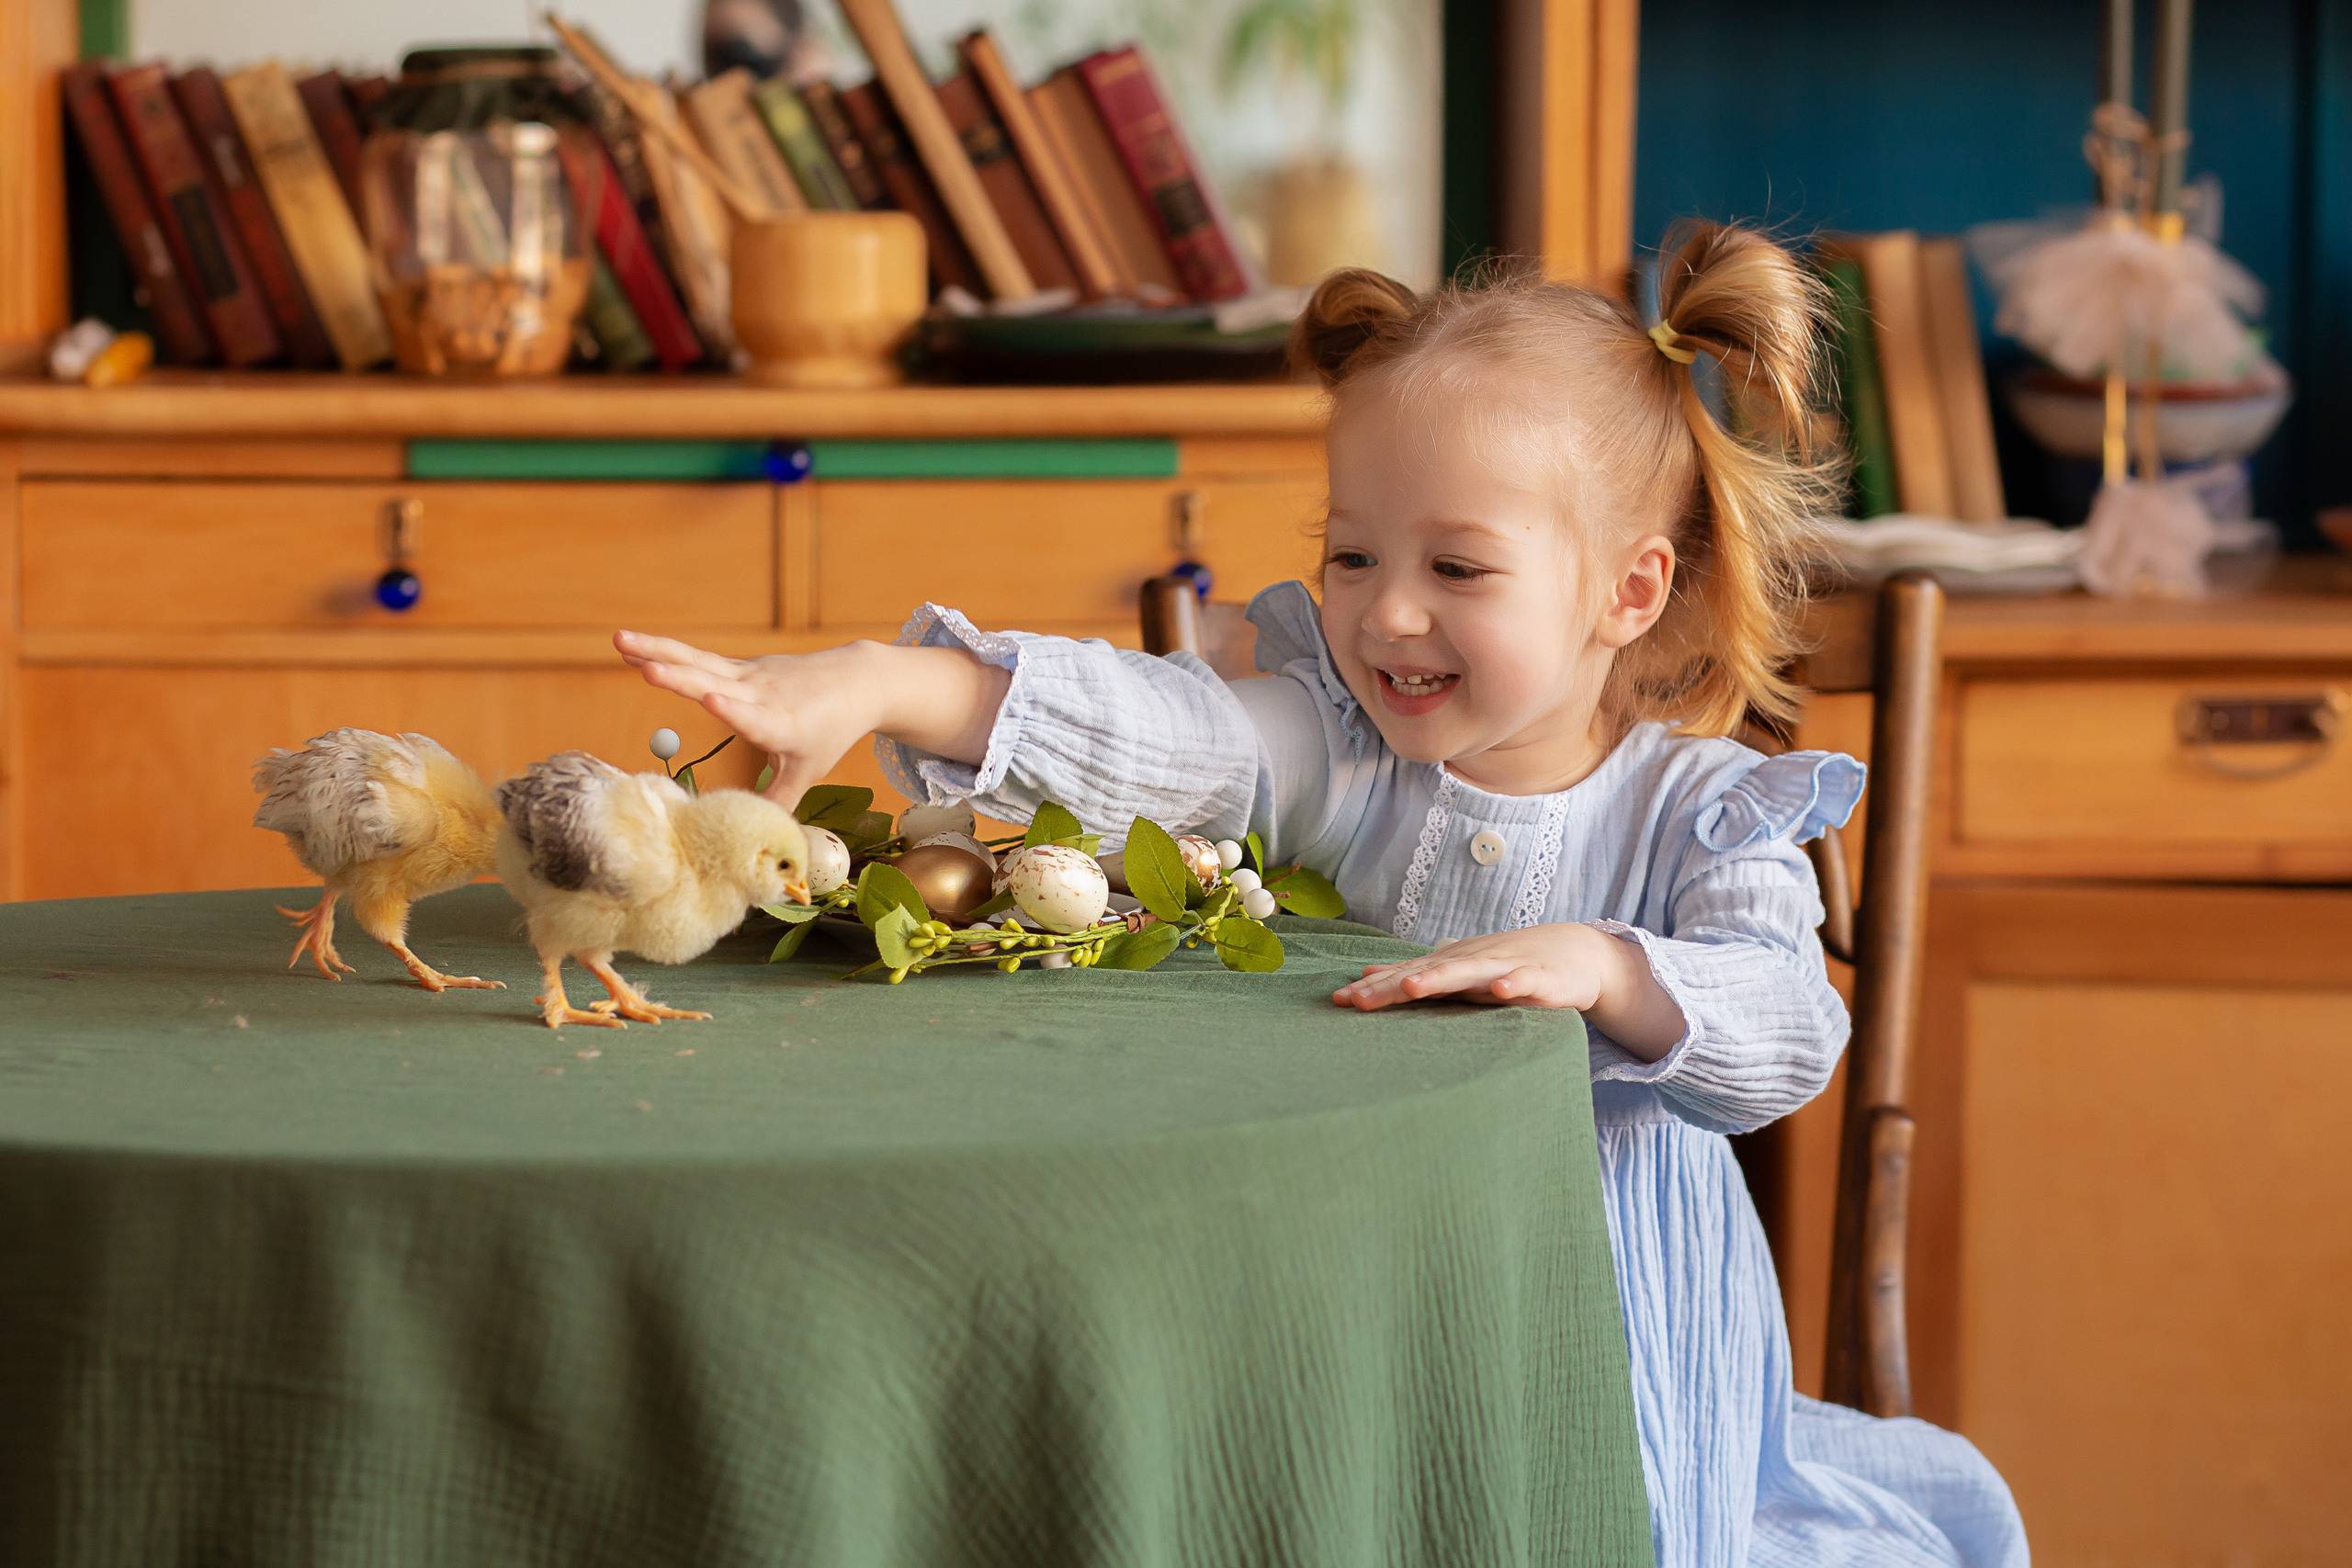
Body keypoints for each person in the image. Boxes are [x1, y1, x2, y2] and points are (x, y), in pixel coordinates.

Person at [615, 223, 2029, 1567]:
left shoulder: (1702, 811)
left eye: (1455, 568)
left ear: (1630, 591)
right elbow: (1167, 732)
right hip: (1334, 1297)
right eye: (1354, 554)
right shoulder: (1339, 751)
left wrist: (1608, 967)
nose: (1386, 613)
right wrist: (881, 677)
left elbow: (1786, 1029)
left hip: (1608, 1340)